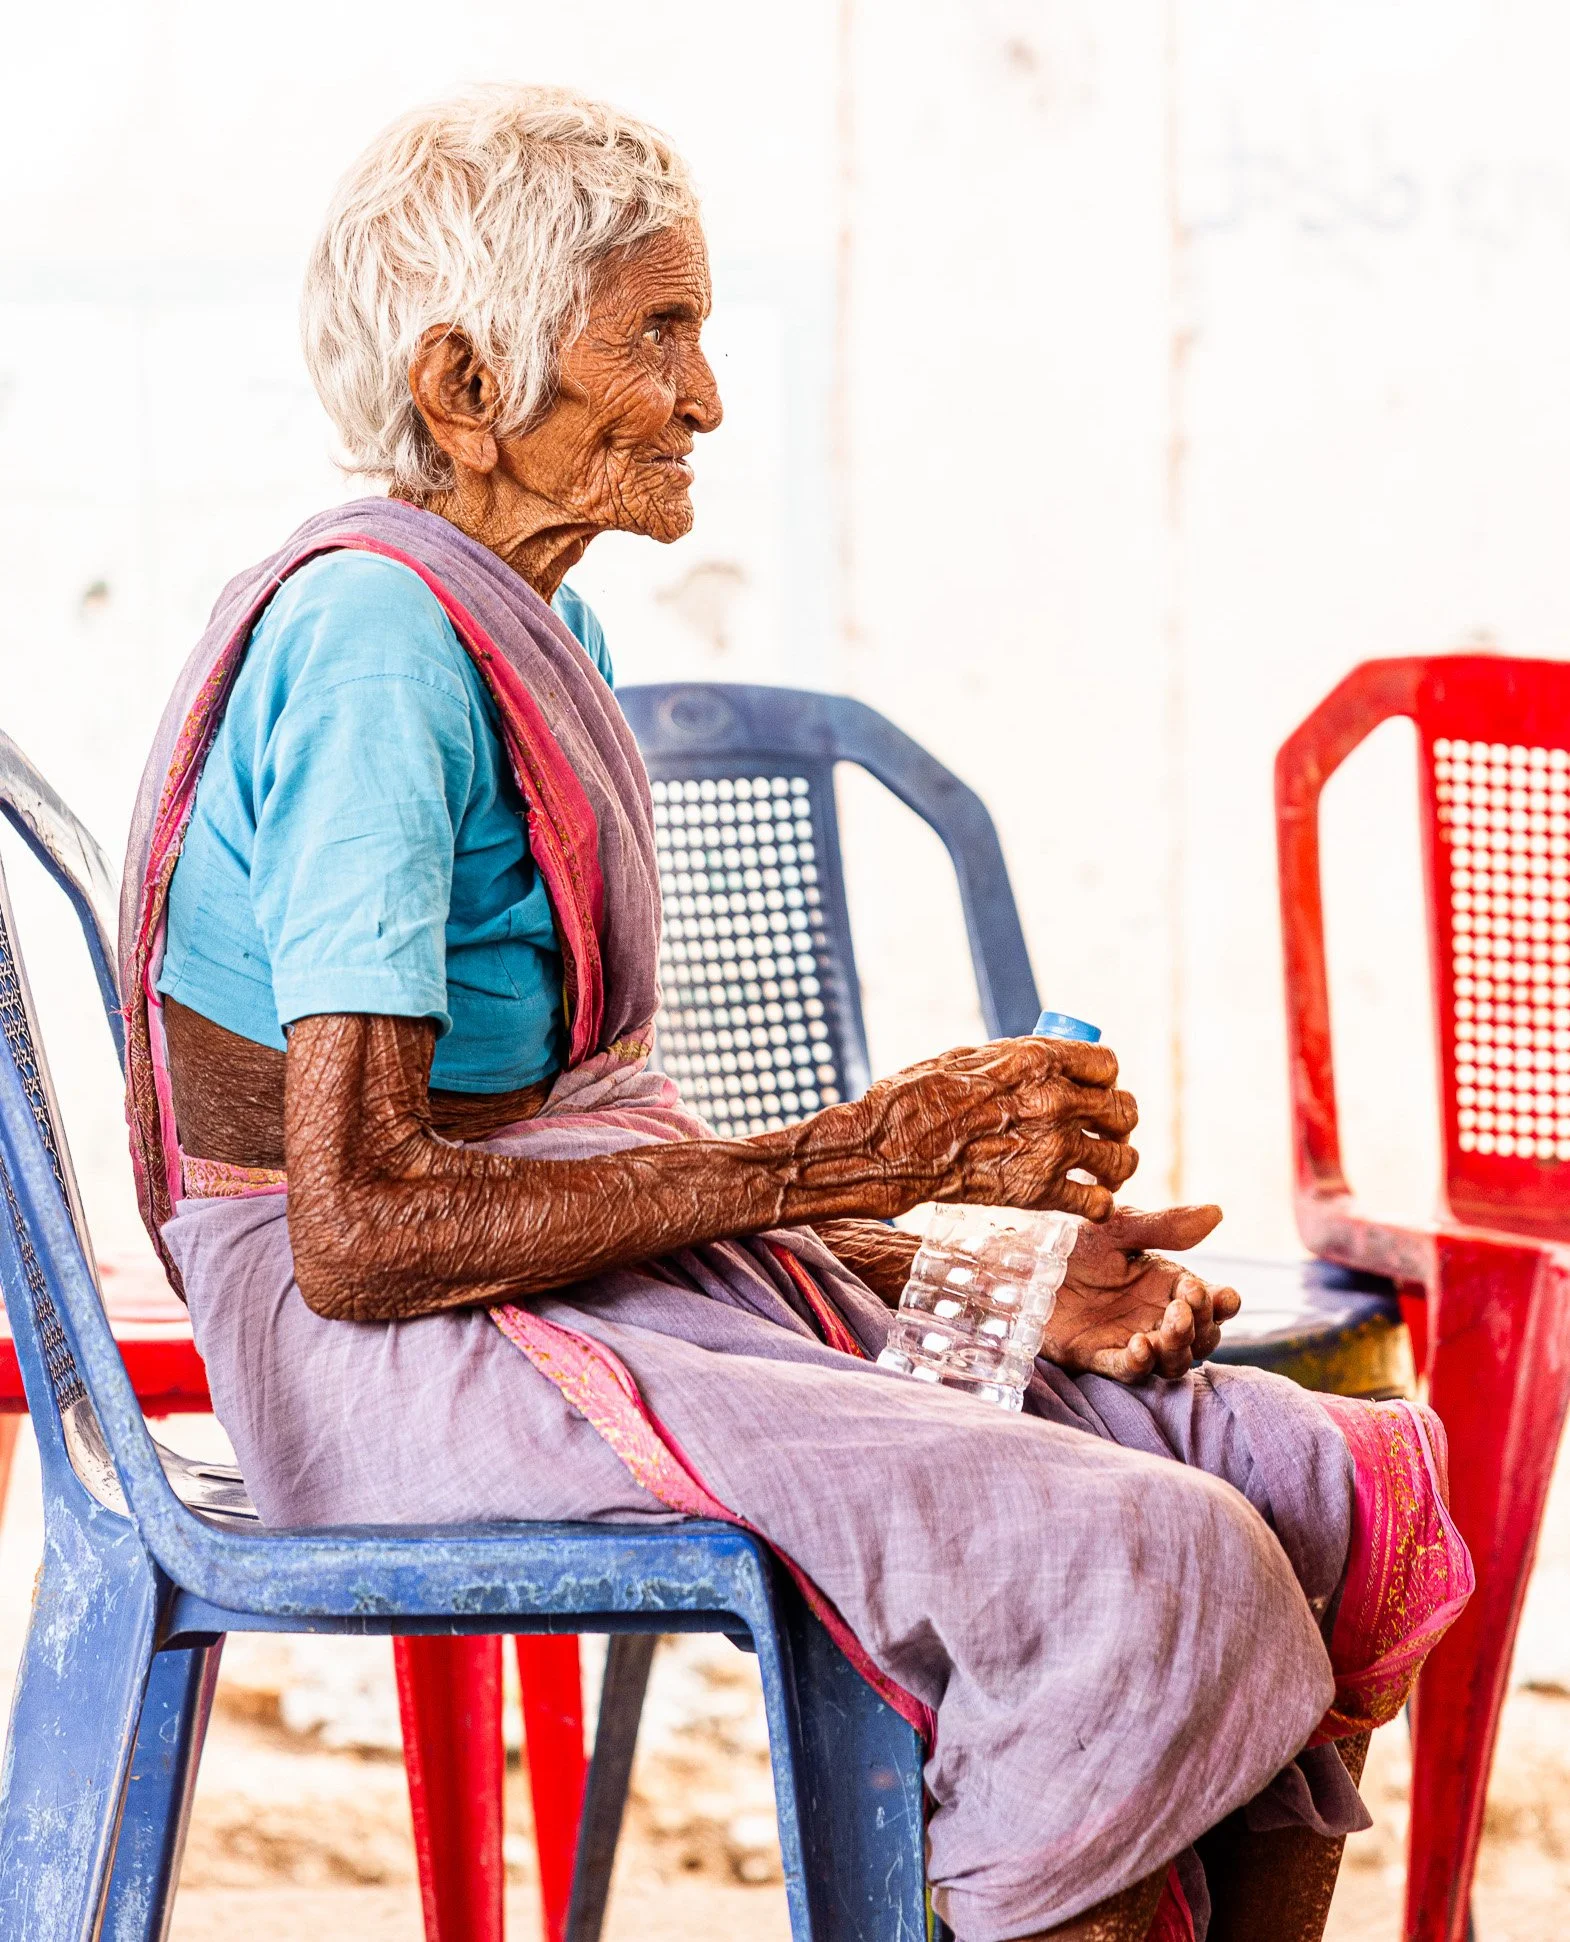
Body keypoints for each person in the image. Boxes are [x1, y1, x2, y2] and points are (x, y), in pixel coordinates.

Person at [120, 86, 1471, 1942]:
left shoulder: (528, 624)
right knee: (1149, 1564)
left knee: (1291, 1475)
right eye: (653, 333)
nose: (705, 399)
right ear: (462, 384)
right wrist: (861, 1151)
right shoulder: (376, 646)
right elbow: (362, 1230)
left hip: (544, 1291)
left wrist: (948, 1264)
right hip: (390, 1356)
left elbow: (576, 1157)